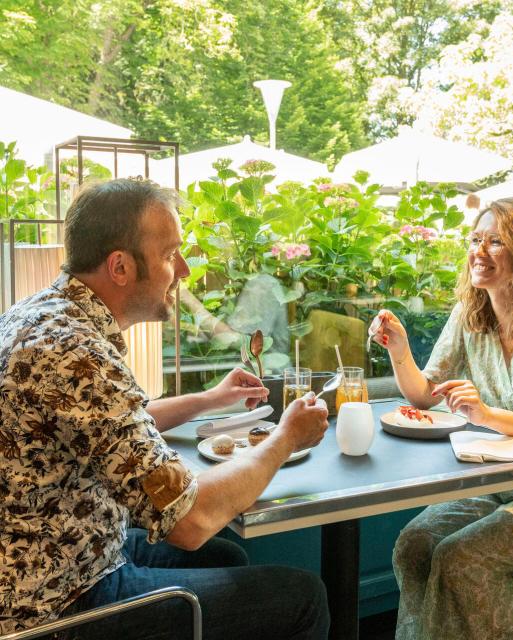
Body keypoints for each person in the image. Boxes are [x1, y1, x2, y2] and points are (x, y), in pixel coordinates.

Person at [0, 178, 330, 639]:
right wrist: (286, 438)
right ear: (120, 267)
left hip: (64, 553)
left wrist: (211, 398)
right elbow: (189, 521)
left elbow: (110, 428)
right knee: (302, 596)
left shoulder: (44, 315)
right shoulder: (76, 353)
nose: (185, 271)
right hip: (55, 606)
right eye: (171, 254)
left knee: (225, 555)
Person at [369, 197, 513, 640]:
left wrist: (486, 414)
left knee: (462, 558)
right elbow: (423, 394)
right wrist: (399, 351)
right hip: (493, 483)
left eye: (496, 242)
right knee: (413, 546)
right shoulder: (469, 313)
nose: (479, 251)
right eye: (476, 239)